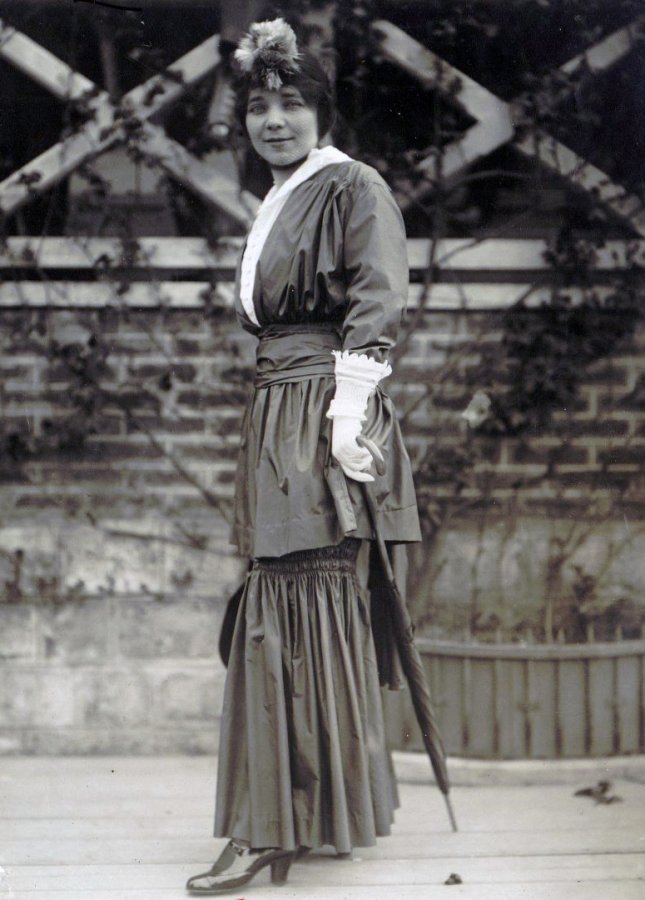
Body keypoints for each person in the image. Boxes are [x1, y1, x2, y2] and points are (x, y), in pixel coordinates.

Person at [186, 17, 421, 895]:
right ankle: (305, 816)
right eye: (258, 105)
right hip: (278, 405)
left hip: (319, 409)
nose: (273, 120)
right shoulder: (282, 195)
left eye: (291, 104)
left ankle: (269, 829)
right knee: (289, 602)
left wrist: (345, 416)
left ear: (321, 111)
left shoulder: (350, 186)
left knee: (302, 599)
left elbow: (377, 297)